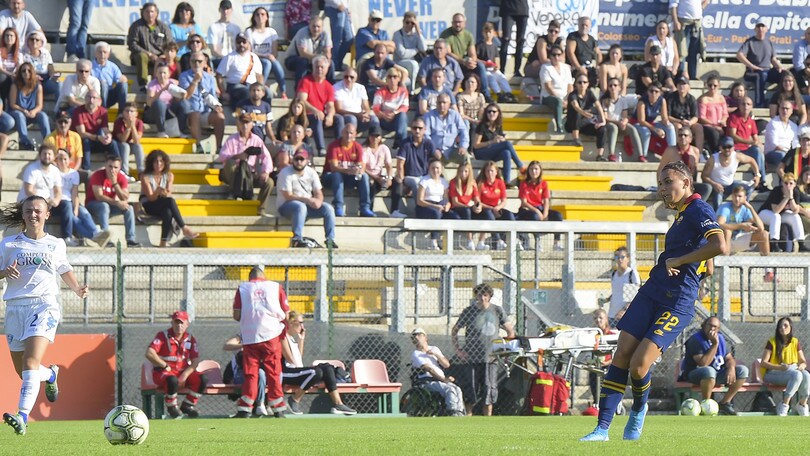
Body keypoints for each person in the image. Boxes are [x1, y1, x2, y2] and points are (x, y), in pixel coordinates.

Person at [580, 160, 726, 442]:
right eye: (660, 183)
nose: (663, 188)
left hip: (677, 301)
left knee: (638, 365)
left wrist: (681, 261)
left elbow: (720, 245)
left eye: (668, 181)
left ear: (686, 182)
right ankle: (602, 429)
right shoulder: (682, 214)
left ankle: (638, 410)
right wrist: (695, 265)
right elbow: (705, 257)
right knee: (621, 354)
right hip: (653, 291)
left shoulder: (699, 208)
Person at [0, 195, 88, 435]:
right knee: (24, 372)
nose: (33, 214)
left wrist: (77, 288)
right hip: (15, 308)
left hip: (44, 306)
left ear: (47, 214)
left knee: (30, 363)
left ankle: (22, 417)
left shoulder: (56, 244)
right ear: (23, 214)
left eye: (38, 210)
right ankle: (50, 374)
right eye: (28, 210)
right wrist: (4, 272)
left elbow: (64, 268)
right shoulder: (8, 244)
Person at [231, 267, 289, 418]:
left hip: (250, 337)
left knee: (251, 373)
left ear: (250, 278)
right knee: (273, 371)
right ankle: (278, 408)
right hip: (271, 336)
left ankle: (245, 409)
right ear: (264, 277)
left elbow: (236, 315)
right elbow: (286, 313)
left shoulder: (243, 289)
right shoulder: (275, 287)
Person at [452, 283, 515, 416]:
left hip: (490, 358)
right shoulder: (468, 311)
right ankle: (468, 417)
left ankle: (487, 419)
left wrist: (505, 351)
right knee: (470, 389)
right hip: (471, 358)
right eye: (479, 295)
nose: (482, 298)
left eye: (485, 295)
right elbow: (455, 330)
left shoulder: (497, 310)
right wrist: (459, 351)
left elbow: (510, 331)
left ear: (489, 296)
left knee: (489, 389)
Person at [281, 311, 356, 415]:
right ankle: (294, 400)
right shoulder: (283, 337)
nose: (302, 327)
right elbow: (290, 359)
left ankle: (338, 404)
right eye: (299, 323)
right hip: (286, 372)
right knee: (316, 372)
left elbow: (298, 358)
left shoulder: (292, 338)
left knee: (327, 368)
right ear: (290, 323)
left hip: (296, 371)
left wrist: (301, 339)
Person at [680, 316, 748, 415]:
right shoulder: (696, 339)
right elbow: (703, 363)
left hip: (716, 374)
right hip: (694, 374)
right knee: (709, 371)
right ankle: (706, 404)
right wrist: (714, 345)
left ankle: (725, 403)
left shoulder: (720, 338)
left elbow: (729, 358)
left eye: (715, 327)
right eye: (710, 325)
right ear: (704, 326)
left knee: (742, 370)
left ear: (718, 329)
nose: (712, 328)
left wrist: (731, 367)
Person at [145, 311, 206, 418]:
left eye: (182, 323)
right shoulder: (163, 336)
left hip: (182, 373)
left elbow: (195, 361)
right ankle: (171, 406)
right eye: (176, 322)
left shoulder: (190, 339)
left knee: (202, 379)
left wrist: (185, 375)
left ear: (187, 324)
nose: (179, 325)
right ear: (172, 323)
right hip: (164, 372)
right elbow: (149, 353)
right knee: (172, 380)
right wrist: (164, 365)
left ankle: (188, 405)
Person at [276, 149, 337, 248]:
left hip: (306, 206)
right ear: (292, 160)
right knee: (300, 206)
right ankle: (297, 239)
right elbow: (288, 196)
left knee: (328, 208)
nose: (299, 162)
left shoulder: (311, 172)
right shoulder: (285, 173)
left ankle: (330, 240)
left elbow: (319, 192)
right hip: (286, 206)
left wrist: (318, 201)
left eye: (302, 159)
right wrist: (308, 200)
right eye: (297, 159)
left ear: (307, 160)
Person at [139, 150, 196, 247]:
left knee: (168, 211)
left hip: (163, 202)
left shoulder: (169, 175)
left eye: (161, 161)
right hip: (149, 204)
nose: (158, 164)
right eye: (155, 162)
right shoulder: (145, 176)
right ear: (151, 163)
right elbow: (150, 198)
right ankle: (184, 227)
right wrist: (157, 192)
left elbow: (169, 193)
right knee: (170, 201)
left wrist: (165, 193)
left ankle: (163, 241)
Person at [54, 148, 109, 247]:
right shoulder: (53, 172)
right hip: (60, 202)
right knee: (73, 219)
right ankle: (93, 237)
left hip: (71, 200)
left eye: (65, 159)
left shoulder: (73, 174)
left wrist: (76, 208)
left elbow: (75, 193)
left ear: (69, 160)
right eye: (60, 159)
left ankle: (96, 233)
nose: (63, 161)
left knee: (84, 212)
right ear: (56, 160)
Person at [219, 113, 273, 211]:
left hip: (249, 175)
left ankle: (260, 208)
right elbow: (222, 157)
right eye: (242, 123)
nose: (245, 125)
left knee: (269, 182)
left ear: (252, 124)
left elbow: (266, 157)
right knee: (230, 163)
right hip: (234, 173)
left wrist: (266, 172)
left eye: (247, 123)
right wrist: (238, 156)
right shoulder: (232, 139)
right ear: (238, 124)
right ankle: (232, 192)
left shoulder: (256, 140)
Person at [85, 155, 141, 248]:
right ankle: (105, 238)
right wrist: (116, 202)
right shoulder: (97, 175)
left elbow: (124, 197)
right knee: (104, 206)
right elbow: (99, 196)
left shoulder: (121, 177)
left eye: (115, 167)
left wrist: (115, 183)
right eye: (110, 166)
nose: (112, 170)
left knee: (129, 208)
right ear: (105, 165)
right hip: (93, 204)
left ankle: (130, 239)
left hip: (110, 205)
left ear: (119, 168)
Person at [177, 51, 226, 154]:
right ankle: (198, 145)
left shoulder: (210, 78)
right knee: (195, 113)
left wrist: (216, 106)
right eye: (193, 61)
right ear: (190, 62)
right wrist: (195, 81)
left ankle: (219, 147)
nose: (196, 64)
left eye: (199, 61)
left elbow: (212, 97)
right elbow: (186, 96)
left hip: (205, 112)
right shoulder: (184, 76)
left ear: (205, 62)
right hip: (190, 114)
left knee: (220, 116)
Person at [759, 316, 810, 416]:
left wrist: (802, 366)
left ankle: (802, 404)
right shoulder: (772, 342)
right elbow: (763, 363)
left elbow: (803, 361)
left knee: (806, 375)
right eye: (780, 326)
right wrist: (779, 367)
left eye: (785, 325)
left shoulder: (795, 341)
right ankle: (784, 404)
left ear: (791, 327)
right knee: (797, 375)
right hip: (772, 373)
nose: (782, 328)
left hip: (792, 370)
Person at [322, 123, 374, 218]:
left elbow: (361, 165)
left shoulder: (357, 147)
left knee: (364, 176)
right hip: (330, 177)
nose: (348, 135)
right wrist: (349, 170)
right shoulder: (334, 146)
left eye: (351, 133)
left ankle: (365, 207)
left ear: (355, 134)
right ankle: (338, 206)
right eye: (346, 132)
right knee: (337, 175)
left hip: (348, 177)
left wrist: (359, 170)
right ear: (342, 133)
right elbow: (333, 168)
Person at [410, 327, 465, 416]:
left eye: (419, 335)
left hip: (440, 380)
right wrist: (444, 379)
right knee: (450, 389)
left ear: (425, 337)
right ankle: (452, 412)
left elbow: (446, 365)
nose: (416, 337)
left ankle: (459, 413)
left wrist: (435, 354)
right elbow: (429, 369)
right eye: (413, 336)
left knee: (457, 389)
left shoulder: (434, 349)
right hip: (427, 381)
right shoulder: (416, 354)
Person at [440, 13, 490, 101]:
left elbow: (473, 54)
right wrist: (463, 61)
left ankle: (486, 94)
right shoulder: (446, 34)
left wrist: (471, 62)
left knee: (480, 66)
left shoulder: (468, 35)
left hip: (465, 64)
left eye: (460, 22)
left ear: (464, 23)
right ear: (452, 23)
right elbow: (448, 53)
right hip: (452, 64)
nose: (457, 24)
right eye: (455, 22)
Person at [701, 136, 760, 209]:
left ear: (733, 147)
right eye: (724, 147)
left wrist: (757, 175)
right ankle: (718, 213)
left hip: (730, 184)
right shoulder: (713, 159)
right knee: (718, 198)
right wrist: (714, 184)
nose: (727, 149)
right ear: (720, 148)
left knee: (749, 186)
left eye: (729, 147)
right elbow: (704, 176)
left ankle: (742, 209)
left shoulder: (737, 156)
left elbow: (752, 160)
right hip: (717, 187)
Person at [391, 117, 434, 218]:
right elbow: (400, 164)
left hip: (425, 176)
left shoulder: (429, 143)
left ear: (425, 129)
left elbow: (433, 162)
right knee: (415, 183)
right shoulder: (405, 143)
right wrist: (402, 180)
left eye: (420, 128)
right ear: (411, 129)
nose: (417, 130)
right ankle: (420, 210)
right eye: (415, 128)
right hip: (409, 176)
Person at [518, 160, 564, 250]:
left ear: (540, 171)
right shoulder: (524, 184)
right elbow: (524, 202)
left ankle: (556, 243)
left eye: (536, 169)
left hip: (540, 208)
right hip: (528, 209)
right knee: (535, 217)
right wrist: (537, 211)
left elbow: (546, 200)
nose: (534, 171)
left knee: (558, 216)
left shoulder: (544, 183)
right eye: (531, 169)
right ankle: (537, 242)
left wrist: (545, 214)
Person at [473, 103, 524, 184]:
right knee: (507, 144)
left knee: (506, 153)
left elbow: (499, 139)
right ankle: (520, 166)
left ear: (498, 113)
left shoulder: (498, 126)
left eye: (494, 111)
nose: (491, 113)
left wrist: (501, 139)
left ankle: (506, 181)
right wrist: (491, 142)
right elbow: (476, 145)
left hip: (492, 152)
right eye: (489, 111)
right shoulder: (482, 126)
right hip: (481, 152)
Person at [416, 158, 460, 250]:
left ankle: (447, 241)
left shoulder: (444, 182)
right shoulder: (424, 181)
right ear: (429, 168)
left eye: (437, 168)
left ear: (441, 169)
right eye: (433, 168)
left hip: (440, 205)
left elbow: (446, 199)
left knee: (455, 217)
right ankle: (433, 241)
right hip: (425, 207)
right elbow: (419, 201)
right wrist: (434, 206)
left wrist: (447, 206)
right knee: (436, 214)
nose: (435, 170)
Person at [737, 23, 785, 108]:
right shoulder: (750, 42)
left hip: (767, 71)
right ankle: (759, 103)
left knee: (784, 75)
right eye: (758, 26)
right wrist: (751, 66)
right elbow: (739, 55)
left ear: (766, 29)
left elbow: (773, 59)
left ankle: (779, 101)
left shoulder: (769, 42)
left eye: (763, 26)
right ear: (755, 29)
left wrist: (779, 67)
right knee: (761, 75)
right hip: (751, 72)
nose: (760, 28)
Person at [758, 172, 808, 253]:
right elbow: (776, 210)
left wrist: (791, 198)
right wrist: (786, 198)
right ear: (782, 183)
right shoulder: (777, 190)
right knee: (776, 216)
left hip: (781, 214)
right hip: (765, 213)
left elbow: (795, 210)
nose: (788, 186)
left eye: (791, 183)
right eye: (786, 183)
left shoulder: (795, 191)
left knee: (795, 216)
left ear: (795, 184)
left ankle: (801, 243)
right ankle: (774, 244)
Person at [127, 3, 173, 89]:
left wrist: (163, 55)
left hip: (160, 56)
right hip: (143, 56)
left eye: (152, 12)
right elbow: (132, 44)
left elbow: (170, 44)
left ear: (156, 13)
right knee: (142, 56)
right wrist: (149, 54)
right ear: (142, 13)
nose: (150, 14)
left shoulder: (163, 27)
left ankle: (168, 85)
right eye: (147, 12)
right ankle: (143, 85)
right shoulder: (136, 26)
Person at [659, 126, 711, 201]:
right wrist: (660, 187)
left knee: (707, 188)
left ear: (690, 139)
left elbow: (695, 170)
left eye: (685, 135)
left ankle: (695, 205)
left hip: (690, 184)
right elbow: (661, 170)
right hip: (675, 183)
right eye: (680, 135)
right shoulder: (670, 151)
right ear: (677, 138)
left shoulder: (695, 151)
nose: (682, 137)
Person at [296, 55, 335, 156]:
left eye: (322, 67)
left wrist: (330, 115)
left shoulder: (329, 86)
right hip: (306, 115)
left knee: (339, 119)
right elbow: (301, 100)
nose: (319, 69)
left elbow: (331, 105)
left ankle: (339, 148)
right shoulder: (306, 81)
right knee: (317, 118)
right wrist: (315, 110)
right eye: (317, 67)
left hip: (321, 115)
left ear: (327, 69)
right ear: (313, 67)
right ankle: (321, 148)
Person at [222, 333, 269, 416]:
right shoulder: (243, 336)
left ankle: (268, 404)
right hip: (240, 374)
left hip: (258, 372)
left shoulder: (265, 336)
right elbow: (226, 346)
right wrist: (245, 346)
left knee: (273, 374)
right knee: (259, 373)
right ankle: (259, 404)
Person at [716, 184, 769, 256]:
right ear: (732, 197)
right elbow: (720, 224)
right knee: (727, 231)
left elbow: (761, 227)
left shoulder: (746, 209)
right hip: (724, 241)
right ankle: (724, 260)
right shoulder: (725, 207)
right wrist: (741, 226)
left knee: (764, 234)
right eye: (735, 196)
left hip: (739, 238)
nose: (737, 199)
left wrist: (751, 208)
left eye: (740, 196)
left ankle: (766, 262)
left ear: (745, 198)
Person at [216, 32, 264, 110]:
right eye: (239, 42)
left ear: (248, 43)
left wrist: (261, 88)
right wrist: (224, 92)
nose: (241, 44)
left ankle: (264, 113)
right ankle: (245, 114)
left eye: (244, 42)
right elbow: (219, 75)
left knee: (268, 93)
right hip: (234, 86)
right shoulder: (229, 57)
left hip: (252, 85)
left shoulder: (254, 57)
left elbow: (259, 75)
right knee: (246, 92)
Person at [245, 7, 286, 100]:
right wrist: (265, 56)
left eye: (263, 14)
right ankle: (261, 85)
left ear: (267, 17)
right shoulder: (249, 31)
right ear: (254, 17)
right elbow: (249, 52)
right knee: (267, 63)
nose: (260, 16)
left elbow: (275, 53)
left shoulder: (271, 32)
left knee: (275, 63)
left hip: (268, 59)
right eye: (257, 14)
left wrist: (271, 56)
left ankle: (283, 91)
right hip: (255, 59)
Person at [727, 96, 767, 190]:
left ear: (752, 107)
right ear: (739, 106)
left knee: (758, 150)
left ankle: (761, 181)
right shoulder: (733, 118)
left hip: (746, 150)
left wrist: (760, 146)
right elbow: (732, 135)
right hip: (735, 150)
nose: (746, 106)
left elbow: (755, 138)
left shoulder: (751, 121)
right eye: (743, 104)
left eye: (748, 104)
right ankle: (760, 181)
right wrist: (749, 141)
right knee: (757, 151)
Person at [72, 89, 117, 171]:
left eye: (94, 98)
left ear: (99, 100)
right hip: (83, 142)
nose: (91, 100)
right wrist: (98, 138)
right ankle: (86, 169)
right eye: (89, 97)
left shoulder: (103, 111)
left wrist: (109, 136)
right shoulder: (78, 111)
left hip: (97, 140)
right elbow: (82, 133)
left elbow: (105, 129)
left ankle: (118, 168)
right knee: (86, 141)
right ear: (85, 99)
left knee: (113, 143)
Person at [475, 161, 515, 250]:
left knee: (509, 215)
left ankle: (510, 240)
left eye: (492, 171)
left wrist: (498, 207)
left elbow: (504, 200)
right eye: (488, 171)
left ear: (496, 172)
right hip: (484, 209)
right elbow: (478, 202)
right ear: (484, 172)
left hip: (496, 208)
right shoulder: (481, 183)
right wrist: (490, 208)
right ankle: (498, 241)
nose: (490, 173)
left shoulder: (500, 182)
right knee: (489, 214)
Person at [16, 146, 63, 221]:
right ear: (40, 155)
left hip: (48, 204)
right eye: (44, 154)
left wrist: (56, 201)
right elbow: (29, 191)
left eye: (49, 154)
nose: (47, 156)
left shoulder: (55, 171)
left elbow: (58, 191)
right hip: (29, 203)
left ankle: (68, 230)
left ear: (54, 156)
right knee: (39, 211)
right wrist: (44, 201)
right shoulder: (31, 169)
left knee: (67, 206)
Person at [584, 309, 617, 416]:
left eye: (600, 318)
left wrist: (608, 362)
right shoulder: (592, 335)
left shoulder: (612, 335)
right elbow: (587, 353)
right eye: (595, 318)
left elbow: (619, 355)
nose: (598, 320)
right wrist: (589, 361)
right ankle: (596, 403)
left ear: (606, 319)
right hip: (596, 365)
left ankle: (610, 405)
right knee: (593, 375)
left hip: (609, 365)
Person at [601, 78, 642, 162]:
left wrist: (624, 122)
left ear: (619, 87)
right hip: (610, 123)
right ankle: (611, 154)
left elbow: (625, 116)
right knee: (613, 128)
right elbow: (605, 118)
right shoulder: (605, 101)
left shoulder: (623, 100)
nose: (613, 87)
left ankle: (640, 155)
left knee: (632, 129)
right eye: (610, 85)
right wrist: (618, 122)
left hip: (620, 122)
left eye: (615, 85)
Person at [8, 62, 48, 150]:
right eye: (23, 71)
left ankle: (48, 141)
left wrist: (34, 111)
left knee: (43, 115)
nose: (26, 73)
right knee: (20, 115)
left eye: (29, 71)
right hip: (17, 111)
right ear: (20, 73)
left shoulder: (38, 86)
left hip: (31, 112)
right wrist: (23, 110)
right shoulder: (15, 85)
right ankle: (24, 141)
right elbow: (12, 104)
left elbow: (39, 105)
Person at [285, 17, 333, 88]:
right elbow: (302, 53)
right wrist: (319, 58)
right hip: (292, 59)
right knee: (303, 62)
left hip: (313, 61)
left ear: (322, 27)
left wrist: (326, 60)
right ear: (309, 26)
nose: (316, 29)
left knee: (331, 63)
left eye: (318, 27)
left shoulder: (325, 34)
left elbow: (328, 53)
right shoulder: (302, 33)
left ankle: (331, 88)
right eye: (313, 26)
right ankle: (299, 89)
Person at [565, 75, 607, 157]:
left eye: (584, 82)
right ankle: (576, 139)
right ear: (576, 84)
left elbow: (598, 106)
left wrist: (603, 121)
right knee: (576, 113)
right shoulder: (572, 95)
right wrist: (585, 113)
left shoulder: (589, 93)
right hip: (571, 125)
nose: (582, 84)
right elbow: (576, 107)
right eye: (579, 82)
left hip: (584, 124)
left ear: (588, 84)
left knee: (602, 129)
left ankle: (600, 155)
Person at [598, 246, 641, 325]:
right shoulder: (613, 274)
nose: (620, 259)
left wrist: (623, 310)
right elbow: (617, 292)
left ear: (628, 259)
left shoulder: (631, 274)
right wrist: (606, 300)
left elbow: (635, 296)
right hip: (612, 314)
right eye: (617, 257)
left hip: (625, 315)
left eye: (622, 257)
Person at [635, 82, 676, 162]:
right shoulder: (642, 102)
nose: (653, 93)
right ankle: (643, 155)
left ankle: (673, 154)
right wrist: (655, 129)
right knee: (646, 132)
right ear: (648, 92)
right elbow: (641, 121)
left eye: (656, 91)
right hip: (638, 123)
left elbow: (664, 118)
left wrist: (666, 124)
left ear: (660, 93)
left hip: (651, 123)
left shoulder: (662, 100)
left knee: (670, 127)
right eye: (651, 91)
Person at [424, 93, 470, 164]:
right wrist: (433, 149)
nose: (441, 105)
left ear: (449, 104)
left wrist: (463, 146)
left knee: (465, 157)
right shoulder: (429, 116)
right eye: (439, 102)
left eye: (444, 102)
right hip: (435, 151)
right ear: (436, 104)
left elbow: (463, 131)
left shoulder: (455, 115)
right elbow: (425, 135)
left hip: (451, 150)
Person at [333, 67, 377, 138]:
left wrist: (366, 114)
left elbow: (366, 107)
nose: (348, 79)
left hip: (360, 117)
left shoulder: (361, 88)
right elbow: (338, 109)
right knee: (352, 118)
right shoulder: (336, 87)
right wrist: (357, 114)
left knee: (374, 119)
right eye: (346, 77)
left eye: (351, 77)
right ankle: (351, 141)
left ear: (356, 78)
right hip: (345, 117)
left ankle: (373, 142)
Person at [477, 22, 516, 103]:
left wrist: (497, 66)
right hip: (484, 70)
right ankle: (499, 94)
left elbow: (497, 59)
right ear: (483, 33)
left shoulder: (494, 46)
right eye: (486, 32)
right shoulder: (479, 45)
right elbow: (475, 58)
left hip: (493, 68)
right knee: (490, 77)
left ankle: (508, 93)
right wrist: (485, 63)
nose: (488, 34)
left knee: (501, 77)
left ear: (493, 33)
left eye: (490, 32)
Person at [371, 67, 409, 149]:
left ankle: (399, 136)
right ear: (386, 79)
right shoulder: (380, 92)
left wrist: (394, 113)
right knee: (403, 127)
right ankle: (403, 145)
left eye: (395, 77)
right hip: (384, 120)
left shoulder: (403, 91)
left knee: (402, 115)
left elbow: (405, 107)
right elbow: (375, 108)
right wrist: (384, 115)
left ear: (399, 79)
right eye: (389, 77)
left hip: (397, 119)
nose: (392, 79)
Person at [539, 45, 573, 135]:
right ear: (550, 56)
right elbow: (548, 87)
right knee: (557, 101)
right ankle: (559, 127)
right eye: (554, 55)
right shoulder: (545, 67)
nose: (556, 57)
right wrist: (561, 100)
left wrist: (567, 99)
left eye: (559, 55)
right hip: (549, 96)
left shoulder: (566, 68)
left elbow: (570, 86)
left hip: (565, 97)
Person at [448, 161, 482, 250]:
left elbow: (477, 199)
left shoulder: (472, 183)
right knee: (467, 211)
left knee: (486, 213)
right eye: (461, 171)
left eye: (466, 171)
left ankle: (481, 242)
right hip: (456, 208)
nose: (463, 174)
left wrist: (478, 206)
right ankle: (470, 240)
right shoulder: (453, 182)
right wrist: (469, 207)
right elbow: (455, 202)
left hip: (467, 208)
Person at [670, 0, 705, 80]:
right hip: (683, 22)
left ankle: (692, 75)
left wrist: (700, 8)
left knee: (694, 51)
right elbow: (673, 5)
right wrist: (675, 21)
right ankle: (681, 75)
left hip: (696, 22)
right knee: (682, 52)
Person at [666, 76, 703, 153]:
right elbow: (668, 116)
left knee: (698, 127)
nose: (681, 86)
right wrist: (680, 121)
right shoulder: (670, 98)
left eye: (684, 84)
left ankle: (699, 153)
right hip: (676, 122)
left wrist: (690, 122)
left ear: (688, 86)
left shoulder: (692, 99)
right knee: (678, 127)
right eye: (679, 84)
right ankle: (678, 151)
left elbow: (695, 116)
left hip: (688, 122)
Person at [144, 63, 180, 138]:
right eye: (160, 73)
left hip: (168, 111)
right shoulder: (152, 84)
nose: (162, 75)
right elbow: (149, 103)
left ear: (169, 74)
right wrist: (162, 90)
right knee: (159, 103)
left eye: (164, 73)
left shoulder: (173, 83)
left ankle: (183, 130)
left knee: (183, 104)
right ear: (156, 74)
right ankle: (161, 131)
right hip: (153, 113)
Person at [393, 12, 427, 92]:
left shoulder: (416, 33)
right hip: (400, 62)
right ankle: (412, 91)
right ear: (403, 22)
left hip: (415, 61)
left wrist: (418, 32)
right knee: (413, 64)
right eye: (407, 22)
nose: (409, 25)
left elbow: (423, 48)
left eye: (412, 23)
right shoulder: (398, 34)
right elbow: (402, 54)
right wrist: (416, 50)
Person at [92, 41, 128, 115]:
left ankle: (121, 113)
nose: (102, 55)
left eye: (105, 52)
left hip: (110, 95)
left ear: (108, 54)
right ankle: (102, 112)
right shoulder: (89, 66)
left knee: (123, 85)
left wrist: (123, 79)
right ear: (95, 53)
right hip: (94, 95)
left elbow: (120, 79)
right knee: (103, 83)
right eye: (100, 52)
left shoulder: (113, 66)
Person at [21, 30, 59, 99]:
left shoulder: (45, 53)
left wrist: (53, 76)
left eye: (37, 40)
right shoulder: (23, 54)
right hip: (30, 80)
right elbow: (22, 70)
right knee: (36, 85)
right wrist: (33, 77)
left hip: (45, 80)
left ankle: (60, 105)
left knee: (60, 85)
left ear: (41, 43)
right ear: (28, 42)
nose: (34, 41)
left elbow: (50, 67)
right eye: (32, 39)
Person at [363, 125, 392, 213]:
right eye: (373, 136)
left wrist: (389, 178)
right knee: (371, 182)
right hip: (368, 175)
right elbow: (363, 167)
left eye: (377, 136)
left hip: (379, 175)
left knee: (398, 182)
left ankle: (395, 210)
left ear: (380, 137)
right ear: (369, 136)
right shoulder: (364, 149)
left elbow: (389, 165)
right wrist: (376, 178)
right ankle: (369, 208)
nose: (375, 138)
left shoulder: (384, 148)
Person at [698, 75, 729, 156]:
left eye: (715, 85)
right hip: (708, 126)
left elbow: (725, 114)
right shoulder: (704, 99)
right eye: (710, 85)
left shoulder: (721, 98)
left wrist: (722, 121)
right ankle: (716, 154)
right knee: (714, 134)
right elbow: (701, 117)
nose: (712, 87)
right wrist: (715, 125)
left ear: (719, 86)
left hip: (720, 125)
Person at [565, 16, 601, 86]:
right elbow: (570, 53)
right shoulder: (573, 37)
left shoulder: (592, 39)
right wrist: (579, 67)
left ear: (590, 26)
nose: (584, 27)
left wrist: (598, 66)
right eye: (582, 25)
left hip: (589, 67)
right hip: (575, 68)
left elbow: (598, 54)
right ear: (578, 25)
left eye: (586, 25)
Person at [764, 99, 800, 167]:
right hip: (772, 153)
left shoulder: (794, 126)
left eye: (787, 109)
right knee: (783, 156)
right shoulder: (773, 123)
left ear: (791, 111)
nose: (785, 111)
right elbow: (774, 145)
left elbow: (796, 144)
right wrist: (788, 153)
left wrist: (798, 153)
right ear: (779, 110)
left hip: (787, 153)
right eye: (783, 108)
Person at [112, 103, 144, 178]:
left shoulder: (139, 122)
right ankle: (124, 172)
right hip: (117, 146)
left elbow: (136, 141)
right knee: (125, 146)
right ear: (123, 112)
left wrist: (133, 126)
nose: (129, 113)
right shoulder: (118, 122)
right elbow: (122, 140)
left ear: (136, 114)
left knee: (138, 146)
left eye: (132, 111)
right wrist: (129, 128)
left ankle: (141, 173)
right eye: (127, 111)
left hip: (129, 145)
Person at [498, 0, 529, 77]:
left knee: (520, 41)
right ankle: (502, 70)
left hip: (522, 9)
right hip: (508, 9)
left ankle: (517, 71)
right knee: (505, 40)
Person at [206, 0, 240, 70]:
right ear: (219, 10)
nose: (225, 11)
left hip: (235, 59)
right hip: (219, 59)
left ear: (231, 10)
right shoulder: (213, 27)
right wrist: (226, 58)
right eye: (223, 9)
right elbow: (213, 50)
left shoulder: (236, 28)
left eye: (227, 9)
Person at [324, 0, 353, 71]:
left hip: (344, 8)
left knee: (349, 38)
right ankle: (335, 65)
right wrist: (338, 4)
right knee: (337, 39)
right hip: (334, 7)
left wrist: (347, 7)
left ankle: (337, 62)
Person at [0, 27, 20, 103]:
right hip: (3, 75)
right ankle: (4, 103)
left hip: (15, 75)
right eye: (7, 35)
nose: (9, 37)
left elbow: (19, 66)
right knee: (3, 78)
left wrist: (14, 75)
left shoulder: (19, 53)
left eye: (11, 36)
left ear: (15, 38)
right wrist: (10, 74)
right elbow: (0, 68)